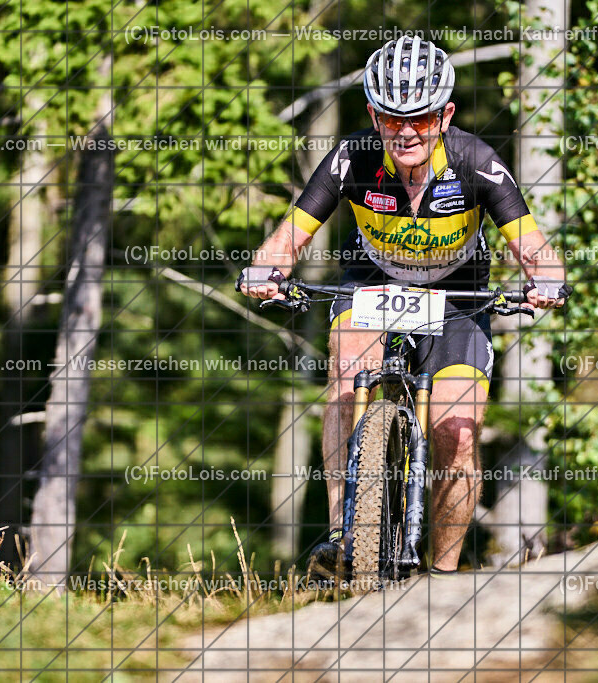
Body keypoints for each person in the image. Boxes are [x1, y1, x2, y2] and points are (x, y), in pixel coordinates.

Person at [237, 35, 570, 580]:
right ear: (373, 114)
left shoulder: (475, 163)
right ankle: (346, 536)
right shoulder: (353, 158)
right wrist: (265, 270)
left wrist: (547, 280)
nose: (407, 131)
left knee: (455, 434)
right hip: (373, 281)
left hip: (459, 295)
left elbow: (533, 245)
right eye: (392, 119)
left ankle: (439, 576)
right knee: (347, 375)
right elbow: (289, 236)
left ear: (447, 114)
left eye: (422, 117)